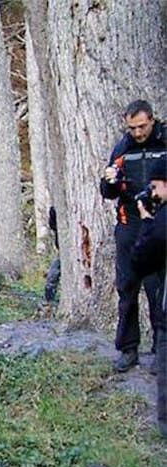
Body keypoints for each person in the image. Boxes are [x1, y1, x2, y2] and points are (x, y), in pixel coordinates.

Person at [99, 99, 166, 372]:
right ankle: (128, 349)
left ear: (151, 119)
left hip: (158, 225)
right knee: (127, 288)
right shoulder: (122, 147)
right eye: (132, 128)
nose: (137, 133)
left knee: (156, 290)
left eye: (141, 126)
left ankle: (159, 351)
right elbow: (107, 192)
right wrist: (110, 181)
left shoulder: (164, 142)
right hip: (128, 225)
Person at [130, 155, 166, 437]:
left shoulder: (161, 222)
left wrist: (146, 221)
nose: (153, 192)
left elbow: (142, 259)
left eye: (154, 186)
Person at [44, 206, 60, 302]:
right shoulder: (55, 209)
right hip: (63, 250)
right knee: (54, 273)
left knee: (54, 272)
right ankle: (49, 298)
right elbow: (52, 225)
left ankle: (49, 297)